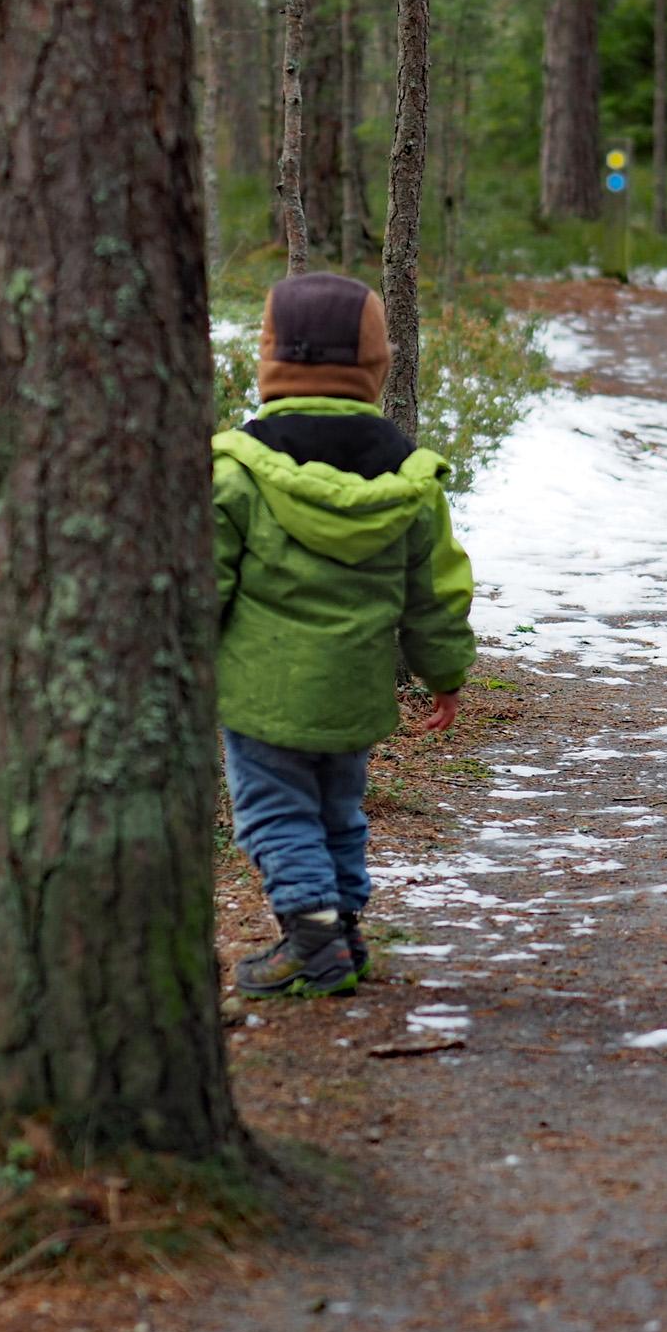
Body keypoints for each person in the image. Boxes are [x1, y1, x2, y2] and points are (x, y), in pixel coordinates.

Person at [213, 271, 476, 998]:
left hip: (263, 696)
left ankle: (314, 941)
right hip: (356, 693)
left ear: (269, 358)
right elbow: (434, 591)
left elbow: (206, 581)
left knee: (275, 813)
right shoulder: (407, 476)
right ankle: (346, 931)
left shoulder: (237, 470)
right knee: (337, 811)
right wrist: (445, 673)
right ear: (376, 361)